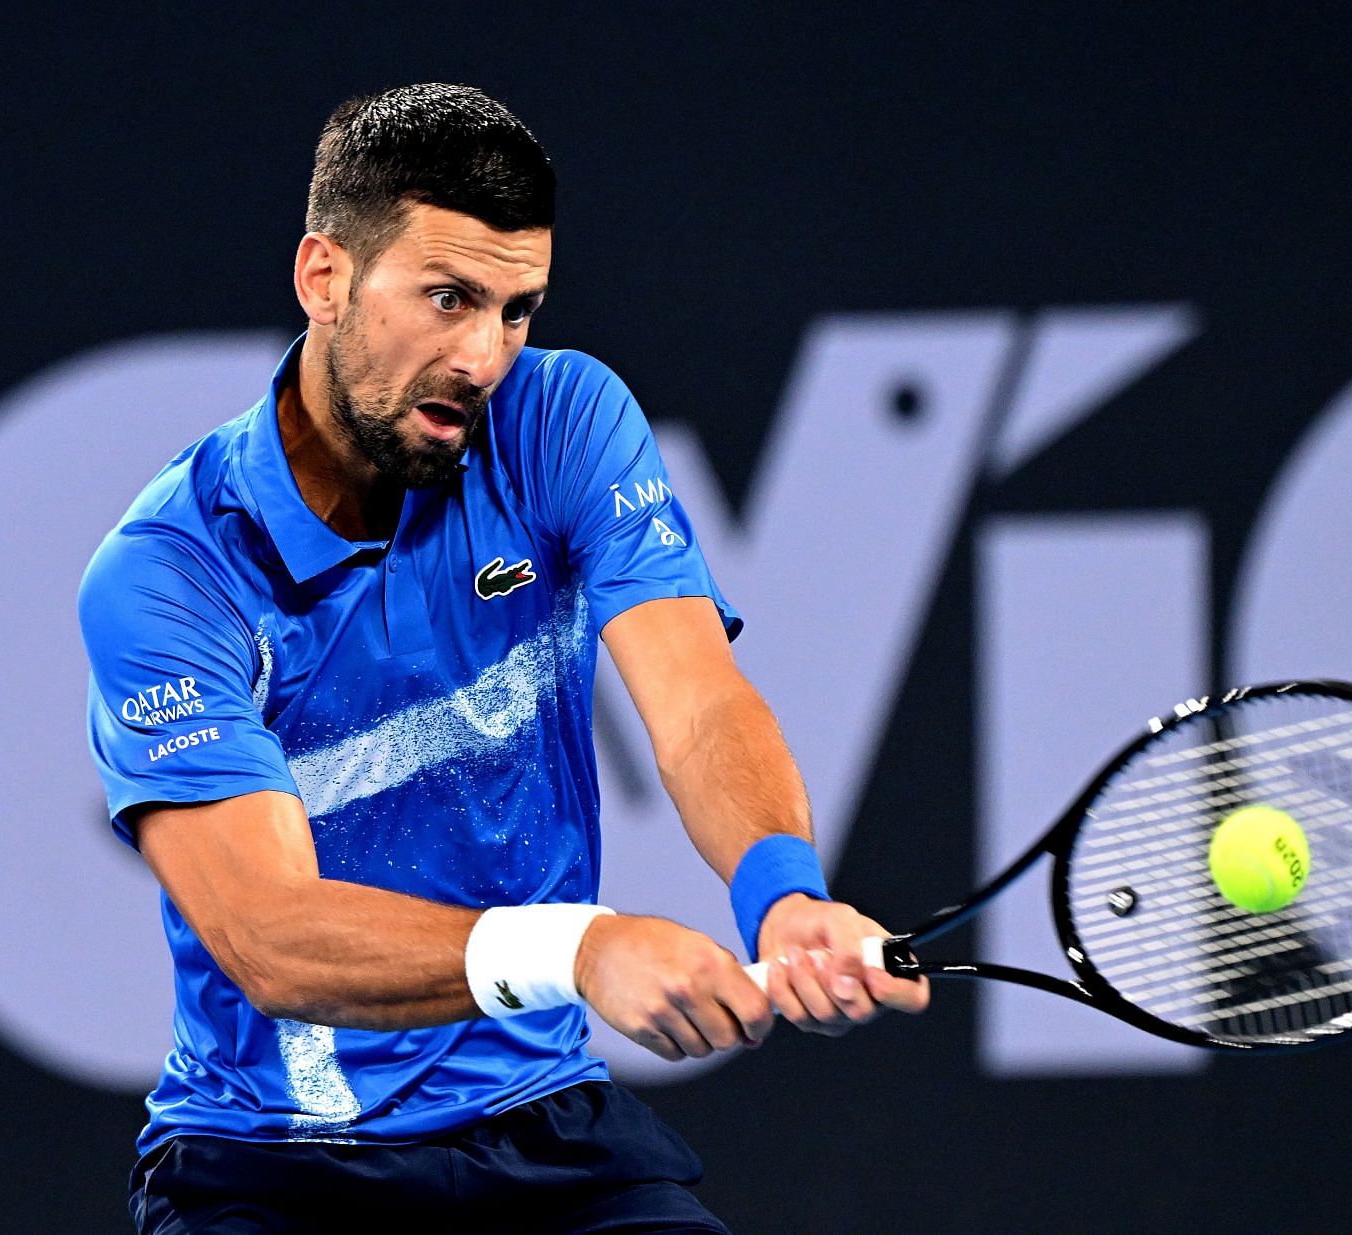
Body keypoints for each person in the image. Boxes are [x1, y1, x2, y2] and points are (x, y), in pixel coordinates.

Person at [77, 82, 929, 1235]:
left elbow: (693, 700)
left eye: (516, 309)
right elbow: (268, 933)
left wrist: (781, 894)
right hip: (269, 1166)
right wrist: (579, 947)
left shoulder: (561, 418)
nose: (484, 356)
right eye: (447, 298)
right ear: (323, 277)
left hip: (543, 1135)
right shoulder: (170, 574)